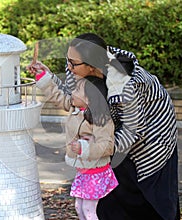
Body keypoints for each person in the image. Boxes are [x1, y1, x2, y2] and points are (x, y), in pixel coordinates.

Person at [28, 33, 180, 219]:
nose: (68, 66)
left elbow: (132, 130)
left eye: (73, 63)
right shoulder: (76, 70)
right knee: (108, 194)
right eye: (68, 60)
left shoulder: (128, 84)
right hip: (108, 130)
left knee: (149, 196)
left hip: (152, 132)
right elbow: (71, 99)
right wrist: (45, 77)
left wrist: (96, 147)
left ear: (92, 66)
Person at [29, 62, 119, 219]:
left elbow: (107, 146)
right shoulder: (75, 108)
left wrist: (84, 147)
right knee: (79, 207)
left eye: (77, 90)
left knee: (89, 210)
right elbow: (57, 96)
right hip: (83, 170)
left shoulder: (101, 119)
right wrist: (42, 77)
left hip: (96, 172)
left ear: (90, 99)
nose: (73, 92)